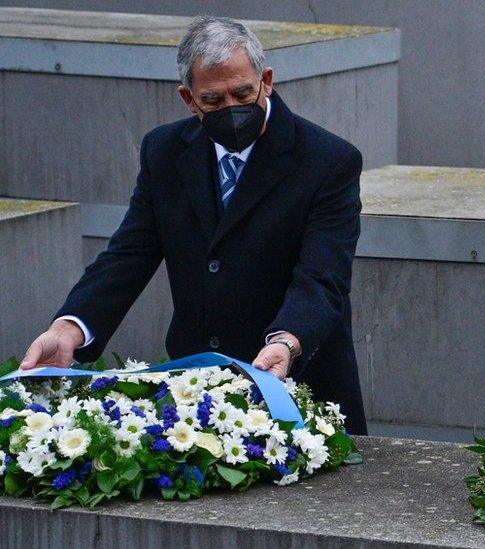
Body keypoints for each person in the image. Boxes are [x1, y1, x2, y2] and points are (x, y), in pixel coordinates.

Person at [19, 16, 368, 434]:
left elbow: (322, 277)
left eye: (242, 93)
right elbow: (128, 255)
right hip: (195, 396)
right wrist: (70, 328)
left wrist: (286, 341)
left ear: (267, 80)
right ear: (189, 99)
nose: (232, 110)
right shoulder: (164, 151)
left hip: (299, 387)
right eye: (213, 100)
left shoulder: (329, 161)